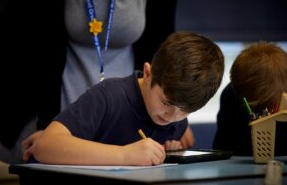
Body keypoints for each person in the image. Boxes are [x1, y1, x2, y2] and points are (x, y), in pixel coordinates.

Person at [0, 0, 189, 164]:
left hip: (117, 120)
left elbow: (162, 50)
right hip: (44, 106)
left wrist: (173, 115)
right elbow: (25, 49)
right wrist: (53, 129)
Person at [32, 31, 225, 166]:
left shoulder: (177, 124)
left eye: (185, 111)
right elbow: (45, 146)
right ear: (148, 74)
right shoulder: (109, 96)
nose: (170, 117)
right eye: (166, 102)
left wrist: (170, 152)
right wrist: (124, 155)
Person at [213, 41, 287, 156]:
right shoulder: (230, 96)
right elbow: (223, 150)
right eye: (257, 109)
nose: (264, 116)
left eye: (272, 110)